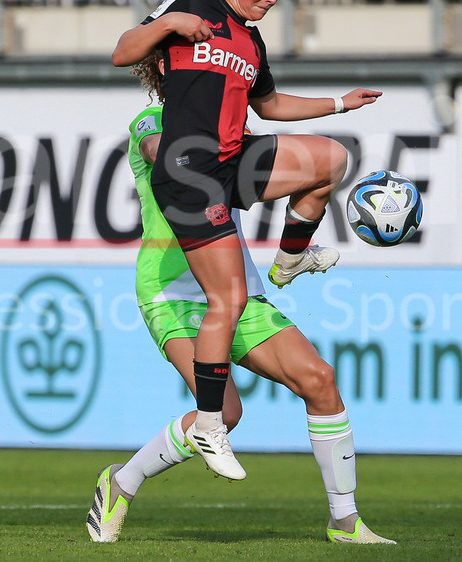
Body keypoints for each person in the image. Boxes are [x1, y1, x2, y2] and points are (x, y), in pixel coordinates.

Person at [85, 51, 395, 546]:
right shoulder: (152, 120)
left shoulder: (228, 127)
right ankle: (122, 482)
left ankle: (345, 522)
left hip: (237, 287)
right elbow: (165, 155)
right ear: (168, 70)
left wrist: (329, 116)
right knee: (225, 414)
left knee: (320, 380)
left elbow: (272, 122)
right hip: (174, 292)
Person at [111, 0, 382, 482]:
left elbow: (272, 105)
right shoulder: (191, 10)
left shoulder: (251, 43)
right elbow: (122, 52)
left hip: (226, 163)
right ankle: (205, 427)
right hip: (190, 170)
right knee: (228, 300)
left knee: (330, 159)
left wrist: (339, 103)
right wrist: (172, 22)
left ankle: (290, 259)